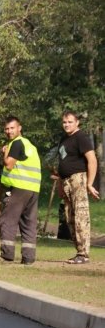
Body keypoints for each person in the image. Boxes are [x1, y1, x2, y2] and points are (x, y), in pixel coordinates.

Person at [0, 116, 41, 265]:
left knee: (7, 220)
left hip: (19, 188)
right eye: (6, 128)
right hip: (33, 188)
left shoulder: (17, 143)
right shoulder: (29, 144)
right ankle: (29, 257)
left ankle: (6, 256)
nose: (9, 131)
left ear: (19, 128)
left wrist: (5, 152)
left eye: (12, 128)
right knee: (28, 222)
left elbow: (8, 165)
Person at [56, 111, 100, 264]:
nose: (66, 124)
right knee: (70, 217)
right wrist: (61, 185)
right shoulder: (64, 139)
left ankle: (83, 254)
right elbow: (62, 162)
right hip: (66, 181)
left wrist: (89, 183)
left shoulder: (81, 137)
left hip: (78, 179)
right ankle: (79, 252)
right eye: (64, 122)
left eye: (69, 122)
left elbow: (92, 160)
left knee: (81, 217)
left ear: (77, 123)